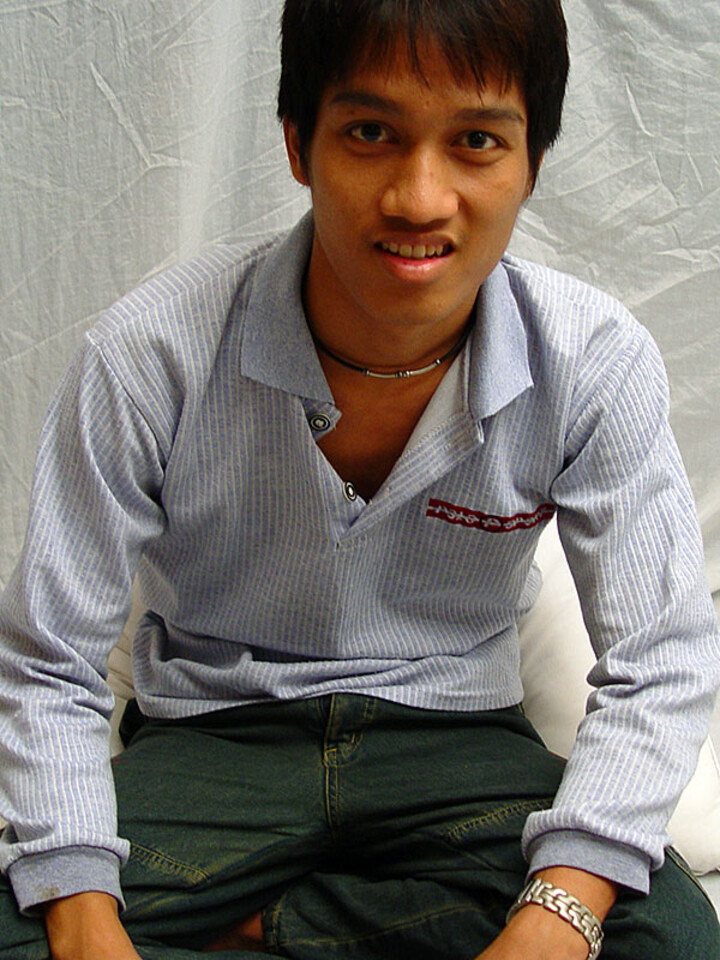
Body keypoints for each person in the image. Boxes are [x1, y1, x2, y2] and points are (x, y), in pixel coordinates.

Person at [0, 0, 718, 957]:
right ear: (299, 144)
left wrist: (557, 916)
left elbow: (663, 657)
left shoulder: (592, 360)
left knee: (669, 937)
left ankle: (264, 925)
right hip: (215, 740)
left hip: (456, 742)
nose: (420, 199)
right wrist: (86, 919)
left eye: (476, 141)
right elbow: (48, 658)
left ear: (533, 162)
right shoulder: (151, 352)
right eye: (372, 133)